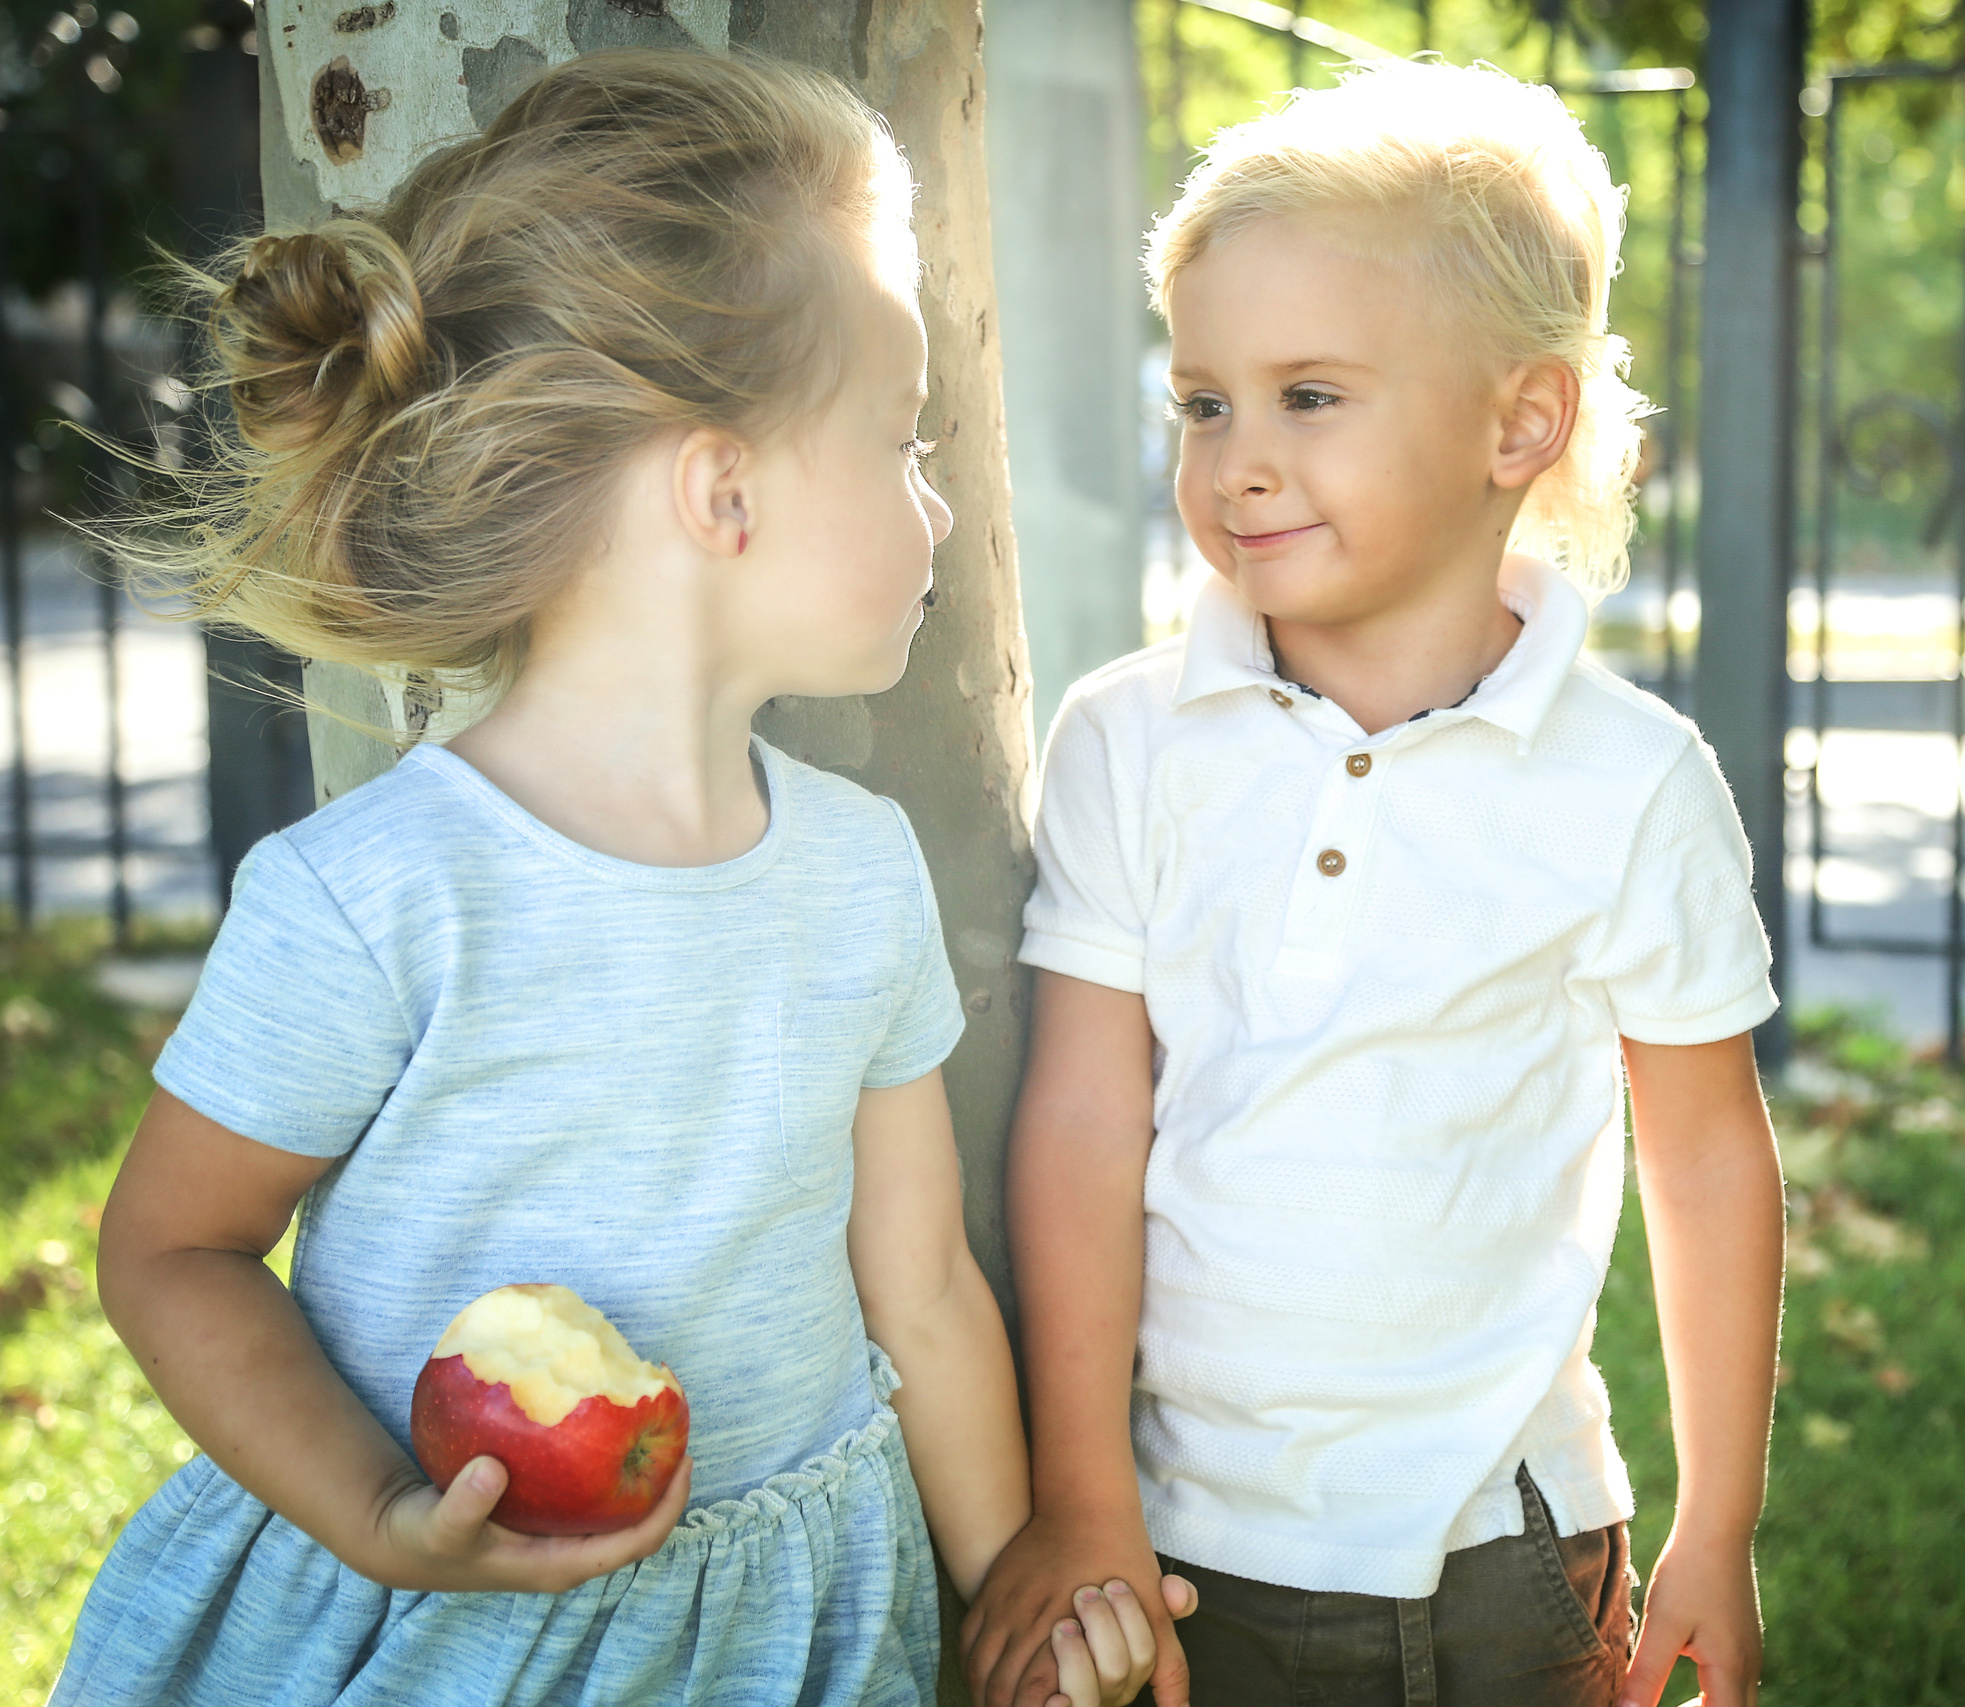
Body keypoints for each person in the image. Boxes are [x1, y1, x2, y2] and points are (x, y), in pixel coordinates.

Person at [57, 51, 1163, 1707]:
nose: (938, 505)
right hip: (443, 1639)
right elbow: (171, 1253)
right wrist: (379, 1512)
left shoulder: (860, 874)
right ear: (723, 493)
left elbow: (919, 1285)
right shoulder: (378, 896)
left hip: (781, 1627)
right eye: (901, 444)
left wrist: (1011, 1586)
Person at [964, 59, 1788, 1707]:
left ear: (1520, 420)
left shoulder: (1628, 783)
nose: (1237, 460)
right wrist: (1083, 1498)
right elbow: (1074, 1124)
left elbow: (1705, 1160)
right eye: (1204, 402)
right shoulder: (1129, 737)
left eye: (1310, 396)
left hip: (1504, 1564)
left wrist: (1722, 1519)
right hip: (1192, 1552)